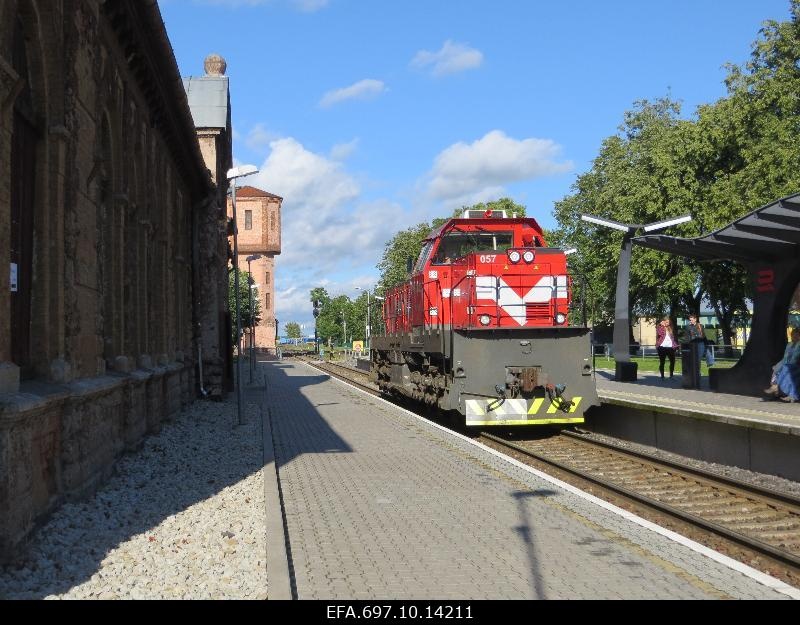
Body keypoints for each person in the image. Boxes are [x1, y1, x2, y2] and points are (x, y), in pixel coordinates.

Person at [765, 327, 800, 401]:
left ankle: (776, 387)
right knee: (777, 369)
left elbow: (796, 358)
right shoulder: (789, 345)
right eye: (793, 335)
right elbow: (785, 357)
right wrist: (778, 366)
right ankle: (777, 392)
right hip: (788, 364)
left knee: (786, 369)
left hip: (796, 365)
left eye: (796, 335)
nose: (794, 337)